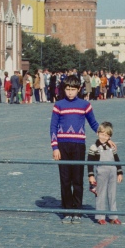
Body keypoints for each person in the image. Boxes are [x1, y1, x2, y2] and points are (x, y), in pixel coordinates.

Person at [50, 74, 99, 223]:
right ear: (63, 89)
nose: (70, 92)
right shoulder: (58, 105)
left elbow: (93, 123)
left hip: (78, 145)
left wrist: (105, 137)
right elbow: (53, 126)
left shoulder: (85, 105)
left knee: (77, 179)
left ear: (79, 89)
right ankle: (67, 210)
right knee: (65, 179)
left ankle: (77, 210)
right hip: (63, 146)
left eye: (73, 89)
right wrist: (55, 147)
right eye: (67, 89)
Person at [87, 122, 123, 225]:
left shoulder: (111, 147)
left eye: (106, 135)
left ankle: (113, 216)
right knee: (100, 194)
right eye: (102, 134)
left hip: (112, 172)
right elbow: (89, 163)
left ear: (110, 136)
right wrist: (91, 175)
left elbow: (117, 159)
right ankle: (100, 216)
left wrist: (119, 172)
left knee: (112, 194)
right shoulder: (94, 147)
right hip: (101, 173)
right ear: (97, 133)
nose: (104, 137)